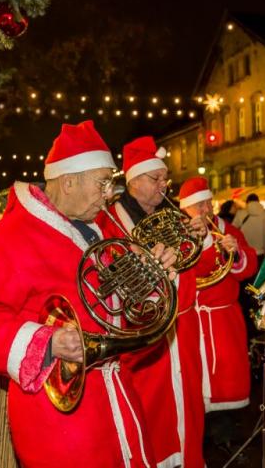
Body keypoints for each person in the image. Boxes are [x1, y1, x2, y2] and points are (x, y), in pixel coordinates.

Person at [0, 121, 176, 468]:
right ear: (69, 181)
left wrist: (153, 279)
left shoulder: (96, 230)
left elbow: (121, 309)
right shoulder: (8, 239)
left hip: (114, 400)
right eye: (102, 182)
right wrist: (48, 342)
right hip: (60, 417)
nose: (108, 193)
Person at [96, 135, 206, 468]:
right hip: (140, 344)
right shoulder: (108, 225)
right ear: (133, 182)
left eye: (165, 178)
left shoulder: (171, 218)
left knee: (184, 414)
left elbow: (187, 286)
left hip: (177, 338)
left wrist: (194, 243)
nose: (164, 185)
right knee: (148, 420)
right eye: (156, 178)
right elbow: (110, 287)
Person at [178, 176, 258, 453]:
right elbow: (191, 273)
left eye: (209, 203)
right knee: (195, 380)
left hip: (224, 318)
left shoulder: (230, 230)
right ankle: (197, 438)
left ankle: (225, 435)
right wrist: (200, 243)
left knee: (227, 377)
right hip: (194, 318)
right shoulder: (181, 234)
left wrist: (235, 255)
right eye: (199, 205)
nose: (207, 209)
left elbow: (248, 269)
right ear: (186, 209)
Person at [234, 193, 265, 264]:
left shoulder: (240, 213)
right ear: (258, 202)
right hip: (259, 253)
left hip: (244, 252)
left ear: (247, 202)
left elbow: (233, 230)